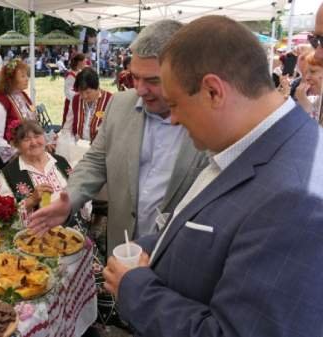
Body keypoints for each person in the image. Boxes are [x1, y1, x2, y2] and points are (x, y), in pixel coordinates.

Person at [103, 15, 323, 337]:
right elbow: (209, 233)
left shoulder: (295, 198)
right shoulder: (249, 146)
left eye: (175, 104)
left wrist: (135, 288)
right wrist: (154, 246)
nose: (174, 119)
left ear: (213, 92)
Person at [29, 20, 207, 254]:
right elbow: (95, 161)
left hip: (180, 258)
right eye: (135, 77)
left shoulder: (208, 120)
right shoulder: (121, 104)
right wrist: (70, 198)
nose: (140, 90)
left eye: (153, 80)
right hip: (123, 250)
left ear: (184, 73)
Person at [0, 120, 89, 227]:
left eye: (37, 136)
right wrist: (31, 200)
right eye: (26, 139)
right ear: (17, 145)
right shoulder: (8, 175)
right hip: (34, 237)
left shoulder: (61, 162)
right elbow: (4, 217)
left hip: (71, 234)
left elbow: (79, 192)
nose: (34, 143)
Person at [0, 59, 36, 179]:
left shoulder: (22, 95)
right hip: (8, 161)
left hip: (26, 155)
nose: (27, 79)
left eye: (27, 75)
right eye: (22, 76)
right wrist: (16, 153)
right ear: (11, 79)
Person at [61, 67, 113, 143]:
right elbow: (67, 128)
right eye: (81, 92)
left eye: (88, 92)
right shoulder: (75, 100)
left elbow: (114, 131)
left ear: (97, 87)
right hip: (78, 147)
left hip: (100, 149)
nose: (84, 96)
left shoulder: (110, 100)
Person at [295, 51, 322, 120]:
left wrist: (306, 106)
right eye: (306, 72)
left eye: (313, 71)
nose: (307, 77)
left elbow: (316, 130)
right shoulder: (315, 100)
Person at [61, 53, 86, 128]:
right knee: (70, 123)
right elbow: (68, 91)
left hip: (78, 100)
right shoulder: (71, 75)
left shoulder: (79, 72)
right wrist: (79, 96)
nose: (85, 63)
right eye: (84, 61)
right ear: (79, 62)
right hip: (72, 102)